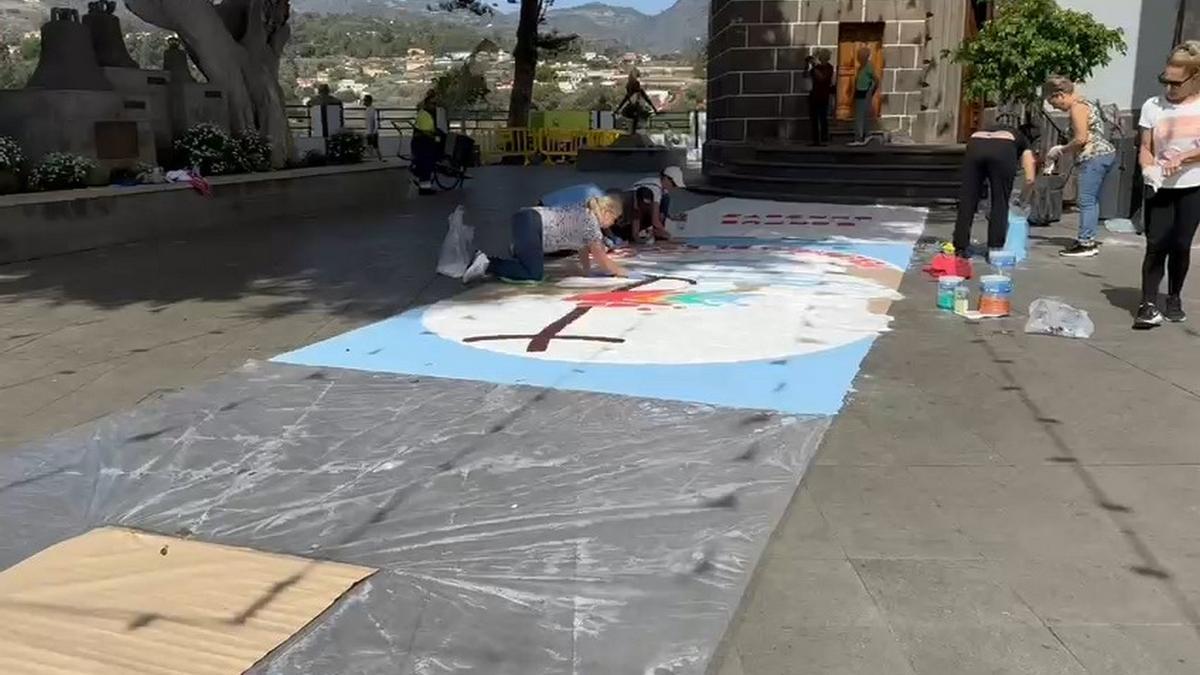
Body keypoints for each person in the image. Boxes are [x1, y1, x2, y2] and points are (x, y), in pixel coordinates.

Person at [1133, 42, 1200, 329]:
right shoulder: (1152, 106)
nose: (1170, 88)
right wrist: (1148, 167)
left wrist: (1184, 156)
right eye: (1166, 81)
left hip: (1193, 184)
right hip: (1159, 185)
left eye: (1176, 82)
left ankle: (1173, 297)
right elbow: (1145, 146)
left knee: (1181, 244)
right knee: (1156, 242)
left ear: (1195, 78)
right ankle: (1147, 303)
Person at [462, 195, 629, 283]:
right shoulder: (591, 223)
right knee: (533, 274)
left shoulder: (584, 213)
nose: (612, 224)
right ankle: (488, 263)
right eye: (614, 219)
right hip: (532, 226)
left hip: (527, 218)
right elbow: (602, 258)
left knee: (530, 266)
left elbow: (583, 249)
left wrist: (587, 272)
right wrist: (622, 272)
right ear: (608, 212)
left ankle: (504, 258)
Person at [1043, 76, 1119, 258]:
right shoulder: (1086, 103)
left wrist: (1060, 150)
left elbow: (1080, 139)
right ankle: (1087, 238)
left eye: (1052, 101)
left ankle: (1087, 243)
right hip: (1103, 154)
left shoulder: (1077, 107)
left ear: (1060, 95)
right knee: (1090, 200)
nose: (1053, 107)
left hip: (1094, 156)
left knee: (1086, 200)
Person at [952, 124, 1038, 257]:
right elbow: (1030, 178)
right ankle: (995, 247)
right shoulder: (1023, 140)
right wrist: (1023, 198)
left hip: (975, 144)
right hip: (1002, 151)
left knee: (967, 199)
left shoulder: (989, 128)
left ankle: (960, 247)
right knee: (1000, 201)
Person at [619, 166, 687, 243]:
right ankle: (637, 234)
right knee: (662, 200)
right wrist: (667, 235)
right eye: (674, 184)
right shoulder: (654, 189)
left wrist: (671, 217)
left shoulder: (655, 185)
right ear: (666, 178)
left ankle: (651, 233)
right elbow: (653, 219)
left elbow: (655, 212)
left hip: (627, 210)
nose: (673, 188)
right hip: (627, 215)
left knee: (665, 197)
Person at [411, 90, 442, 193]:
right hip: (424, 142)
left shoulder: (425, 113)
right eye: (433, 104)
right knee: (426, 164)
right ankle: (425, 188)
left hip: (420, 142)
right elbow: (426, 131)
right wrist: (435, 138)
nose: (434, 106)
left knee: (424, 164)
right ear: (427, 104)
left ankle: (423, 186)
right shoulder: (425, 115)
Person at [805, 49, 835, 146]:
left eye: (820, 56)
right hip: (814, 96)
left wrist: (814, 66)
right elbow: (806, 76)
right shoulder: (816, 67)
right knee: (814, 118)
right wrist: (807, 65)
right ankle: (815, 140)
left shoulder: (829, 68)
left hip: (823, 96)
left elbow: (822, 78)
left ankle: (823, 138)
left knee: (822, 118)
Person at [848, 47, 877, 147]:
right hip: (859, 92)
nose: (858, 57)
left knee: (862, 116)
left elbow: (875, 79)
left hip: (865, 92)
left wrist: (871, 91)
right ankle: (862, 135)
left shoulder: (869, 66)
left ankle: (860, 137)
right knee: (859, 115)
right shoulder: (861, 67)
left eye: (860, 55)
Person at [362, 94, 382, 161]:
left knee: (374, 146)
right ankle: (378, 158)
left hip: (372, 132)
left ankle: (379, 158)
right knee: (372, 145)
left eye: (365, 100)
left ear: (369, 101)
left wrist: (374, 132)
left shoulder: (373, 110)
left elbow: (375, 122)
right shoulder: (367, 109)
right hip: (369, 131)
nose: (364, 102)